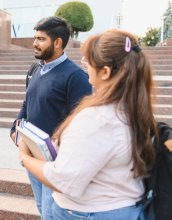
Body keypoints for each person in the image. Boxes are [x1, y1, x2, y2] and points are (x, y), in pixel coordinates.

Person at [18, 29, 157, 219]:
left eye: (88, 59)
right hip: (120, 207)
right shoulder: (132, 108)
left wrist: (24, 157)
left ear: (105, 71)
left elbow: (63, 180)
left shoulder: (99, 118)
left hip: (91, 212)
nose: (83, 63)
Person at [10, 16, 92, 219]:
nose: (35, 43)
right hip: (32, 157)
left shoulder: (76, 77)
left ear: (57, 42)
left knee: (50, 214)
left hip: (56, 164)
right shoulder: (35, 70)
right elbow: (27, 103)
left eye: (41, 39)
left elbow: (82, 121)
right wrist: (16, 130)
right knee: (42, 209)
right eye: (35, 38)